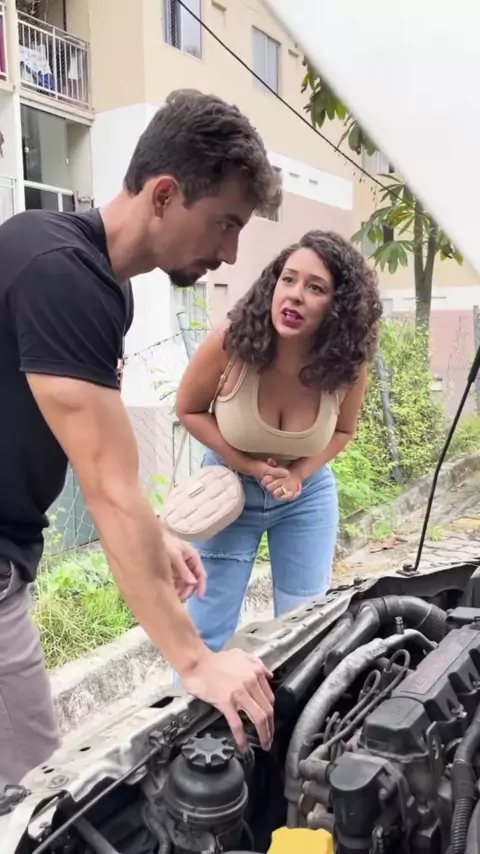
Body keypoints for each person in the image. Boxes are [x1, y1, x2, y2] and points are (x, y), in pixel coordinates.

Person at [0, 89, 282, 788]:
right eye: (224, 223)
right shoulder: (57, 271)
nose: (230, 253)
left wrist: (151, 531)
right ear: (163, 195)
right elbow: (107, 487)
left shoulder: (103, 287)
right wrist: (196, 662)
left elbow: (88, 443)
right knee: (42, 796)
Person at [176, 230, 382, 653]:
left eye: (315, 288)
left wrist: (299, 473)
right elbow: (189, 410)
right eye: (288, 279)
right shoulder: (232, 342)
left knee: (304, 629)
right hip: (227, 491)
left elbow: (344, 431)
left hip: (305, 496)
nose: (294, 295)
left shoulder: (348, 364)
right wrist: (250, 466)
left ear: (338, 306)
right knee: (205, 633)